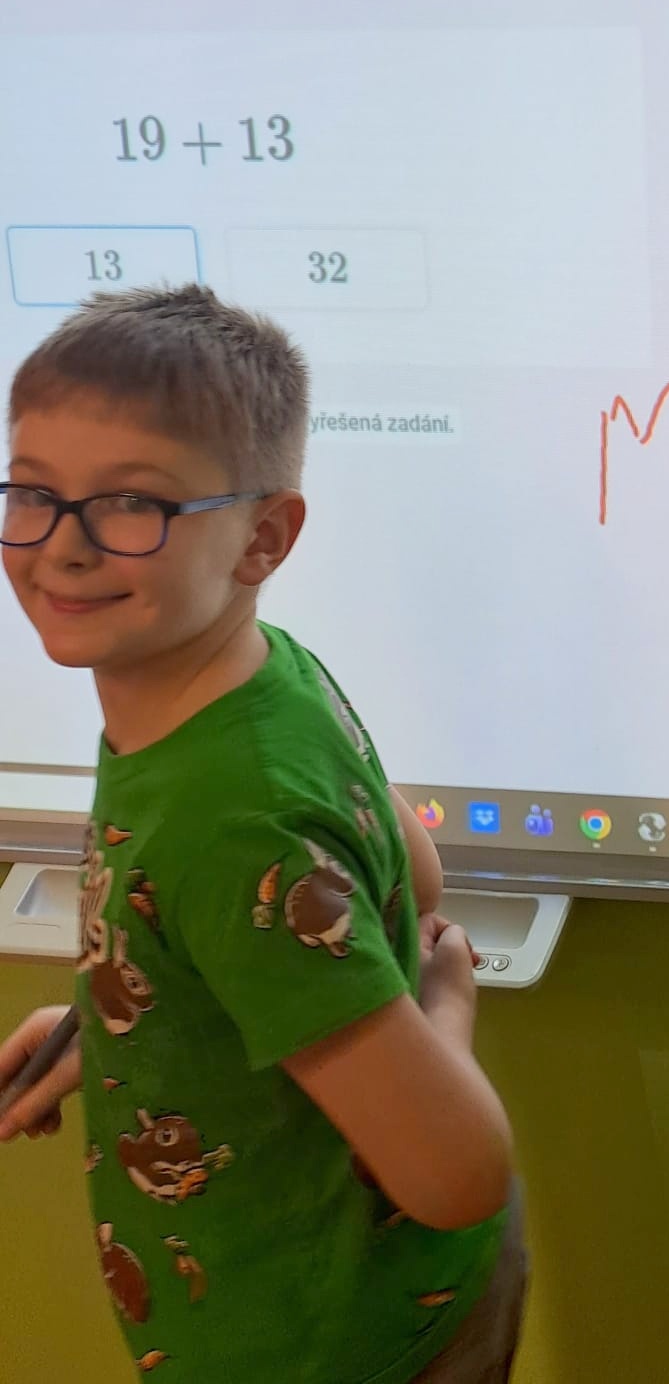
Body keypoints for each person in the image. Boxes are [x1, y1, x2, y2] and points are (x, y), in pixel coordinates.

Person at [0, 286, 525, 1381]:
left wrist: (449, 999)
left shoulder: (232, 817)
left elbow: (457, 1173)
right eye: (34, 491)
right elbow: (408, 872)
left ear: (265, 537)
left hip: (333, 1342)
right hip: (378, 1296)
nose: (63, 547)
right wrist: (132, 1026)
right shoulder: (253, 676)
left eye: (132, 503)